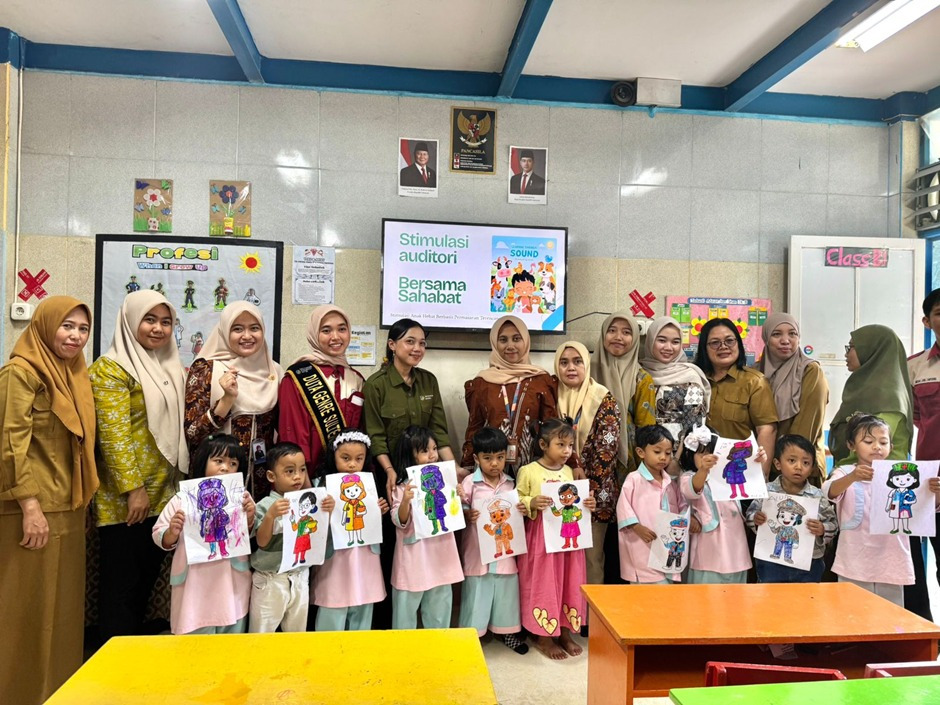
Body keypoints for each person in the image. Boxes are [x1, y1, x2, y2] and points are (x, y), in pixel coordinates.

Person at [0, 297, 97, 705]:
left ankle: (57, 694)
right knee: (24, 614)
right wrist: (29, 506)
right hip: (29, 511)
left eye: (83, 329)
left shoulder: (73, 374)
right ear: (44, 325)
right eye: (66, 326)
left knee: (62, 616)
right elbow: (9, 444)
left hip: (67, 510)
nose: (75, 336)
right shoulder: (20, 373)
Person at [90, 290, 188, 641]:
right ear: (131, 322)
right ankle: (112, 656)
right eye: (149, 320)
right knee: (121, 586)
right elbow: (113, 436)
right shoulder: (110, 369)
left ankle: (133, 651)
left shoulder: (170, 366)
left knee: (146, 579)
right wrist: (134, 490)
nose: (158, 329)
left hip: (164, 493)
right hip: (126, 499)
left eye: (166, 322)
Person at [829, 325, 925, 616]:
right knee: (856, 583)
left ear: (873, 351)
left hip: (885, 495)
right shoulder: (863, 387)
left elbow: (873, 450)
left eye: (852, 347)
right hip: (857, 487)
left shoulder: (887, 395)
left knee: (887, 590)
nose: (847, 354)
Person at [823, 415, 940, 607]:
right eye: (868, 441)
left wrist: (935, 492)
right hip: (855, 559)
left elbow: (927, 509)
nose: (877, 447)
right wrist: (852, 477)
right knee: (852, 612)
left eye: (883, 442)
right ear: (852, 445)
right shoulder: (844, 472)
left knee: (890, 614)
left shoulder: (905, 476)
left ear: (891, 447)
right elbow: (829, 491)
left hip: (892, 560)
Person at [152, 434, 256, 633]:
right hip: (194, 580)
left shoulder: (242, 497)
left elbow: (249, 532)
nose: (225, 468)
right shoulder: (182, 499)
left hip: (231, 576)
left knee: (232, 632)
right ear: (203, 462)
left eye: (233, 463)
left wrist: (250, 517)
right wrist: (172, 533)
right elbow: (158, 532)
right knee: (195, 632)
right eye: (218, 461)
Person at [184, 301, 282, 499]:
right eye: (237, 329)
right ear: (225, 331)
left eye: (254, 328)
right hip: (215, 483)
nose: (247, 336)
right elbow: (193, 434)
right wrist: (227, 400)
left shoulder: (274, 371)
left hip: (260, 483)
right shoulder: (206, 369)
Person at [516, 418, 595, 661]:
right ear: (543, 444)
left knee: (569, 580)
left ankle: (565, 631)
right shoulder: (528, 471)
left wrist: (587, 504)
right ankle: (543, 636)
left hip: (568, 539)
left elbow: (574, 502)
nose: (567, 451)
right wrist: (531, 502)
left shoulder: (569, 472)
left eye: (570, 445)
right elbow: (516, 501)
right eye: (561, 445)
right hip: (541, 539)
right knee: (545, 583)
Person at [364, 319, 455, 501]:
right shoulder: (375, 385)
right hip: (392, 472)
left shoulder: (429, 381)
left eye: (422, 343)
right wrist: (390, 471)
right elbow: (376, 437)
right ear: (392, 345)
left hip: (427, 471)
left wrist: (453, 468)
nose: (417, 348)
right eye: (410, 341)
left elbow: (438, 431)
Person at [555, 341, 621, 584]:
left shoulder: (602, 398)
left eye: (577, 361)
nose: (571, 368)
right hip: (557, 489)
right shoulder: (551, 394)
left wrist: (585, 489)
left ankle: (590, 608)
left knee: (592, 558)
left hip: (595, 493)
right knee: (561, 556)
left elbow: (607, 449)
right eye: (564, 363)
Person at [457, 427, 528, 654]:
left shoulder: (510, 483)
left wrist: (522, 510)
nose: (495, 463)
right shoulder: (470, 483)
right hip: (478, 551)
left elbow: (518, 511)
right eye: (487, 458)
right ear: (476, 458)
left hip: (505, 550)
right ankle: (471, 636)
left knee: (506, 591)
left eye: (499, 457)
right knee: (477, 592)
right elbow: (458, 509)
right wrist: (466, 513)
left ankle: (506, 632)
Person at [249, 442, 332, 633]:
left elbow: (319, 534)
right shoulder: (266, 504)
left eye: (302, 470)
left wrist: (328, 510)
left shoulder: (309, 502)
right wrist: (270, 516)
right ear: (272, 476)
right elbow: (261, 542)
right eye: (289, 471)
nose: (297, 476)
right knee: (261, 633)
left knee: (297, 632)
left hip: (300, 575)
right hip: (271, 578)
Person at [313, 429, 389, 631]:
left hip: (364, 556)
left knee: (364, 604)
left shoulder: (370, 484)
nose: (352, 464)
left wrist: (379, 511)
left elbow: (370, 518)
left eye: (359, 458)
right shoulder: (320, 485)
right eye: (345, 458)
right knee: (333, 603)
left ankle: (359, 647)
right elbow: (312, 527)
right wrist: (325, 512)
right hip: (336, 558)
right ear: (333, 456)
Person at [279, 305, 365, 483]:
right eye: (326, 330)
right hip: (308, 478)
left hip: (348, 479)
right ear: (314, 334)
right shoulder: (296, 377)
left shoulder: (357, 379)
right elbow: (293, 435)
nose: (336, 337)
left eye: (342, 329)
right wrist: (303, 481)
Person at [462, 315, 558, 475]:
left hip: (533, 467)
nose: (510, 346)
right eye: (503, 340)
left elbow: (551, 428)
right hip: (490, 468)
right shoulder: (482, 383)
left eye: (516, 339)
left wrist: (562, 465)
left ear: (525, 341)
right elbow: (475, 428)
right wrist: (467, 467)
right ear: (495, 343)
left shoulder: (541, 380)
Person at [389, 426, 463, 629]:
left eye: (434, 448)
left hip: (440, 552)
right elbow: (398, 520)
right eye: (424, 450)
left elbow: (454, 512)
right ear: (410, 454)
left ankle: (438, 642)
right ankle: (403, 644)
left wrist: (457, 495)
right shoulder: (402, 486)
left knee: (440, 604)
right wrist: (406, 500)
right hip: (414, 556)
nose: (432, 455)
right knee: (405, 607)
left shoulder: (445, 481)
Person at [679, 424, 764, 584]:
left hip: (736, 543)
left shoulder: (729, 472)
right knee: (705, 594)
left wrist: (756, 459)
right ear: (690, 454)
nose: (708, 457)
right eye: (702, 453)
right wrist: (703, 470)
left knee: (737, 593)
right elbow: (691, 489)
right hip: (708, 546)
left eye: (712, 452)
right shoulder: (688, 477)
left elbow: (751, 478)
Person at [745, 435, 837, 583]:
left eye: (806, 462)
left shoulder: (817, 496)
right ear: (778, 464)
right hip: (771, 561)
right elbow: (750, 514)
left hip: (809, 561)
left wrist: (823, 529)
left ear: (812, 468)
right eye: (792, 460)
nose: (798, 467)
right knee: (770, 594)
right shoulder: (767, 492)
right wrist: (755, 519)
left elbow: (832, 523)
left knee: (807, 595)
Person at [694, 318, 777, 478]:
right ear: (704, 348)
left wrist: (760, 476)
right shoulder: (696, 379)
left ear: (738, 344)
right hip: (698, 470)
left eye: (729, 341)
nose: (723, 346)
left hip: (739, 470)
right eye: (715, 343)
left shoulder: (754, 381)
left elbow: (766, 430)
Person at [757, 314, 829, 481]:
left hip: (800, 469)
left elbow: (807, 425)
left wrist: (787, 463)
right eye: (776, 334)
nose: (785, 340)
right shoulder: (756, 373)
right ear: (766, 338)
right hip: (766, 466)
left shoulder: (810, 371)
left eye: (792, 334)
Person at [615, 425, 688, 584]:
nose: (663, 457)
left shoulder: (670, 482)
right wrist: (636, 527)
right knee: (646, 586)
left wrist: (687, 519)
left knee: (666, 584)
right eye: (657, 452)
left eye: (668, 453)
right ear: (641, 452)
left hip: (667, 542)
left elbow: (682, 505)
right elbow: (623, 507)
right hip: (642, 542)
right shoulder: (634, 479)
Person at [639, 316, 710, 471]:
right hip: (642, 461)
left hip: (675, 464)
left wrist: (676, 461)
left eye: (675, 342)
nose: (668, 347)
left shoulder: (689, 378)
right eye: (661, 340)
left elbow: (694, 429)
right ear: (650, 341)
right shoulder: (640, 373)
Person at [592, 312, 657, 478]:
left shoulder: (641, 379)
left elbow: (646, 431)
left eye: (626, 332)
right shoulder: (586, 372)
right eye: (612, 330)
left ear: (635, 339)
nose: (618, 337)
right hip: (588, 457)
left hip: (626, 461)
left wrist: (646, 474)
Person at [908, 288, 940, 594]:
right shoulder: (915, 366)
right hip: (932, 482)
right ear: (927, 321)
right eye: (939, 313)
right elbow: (915, 417)